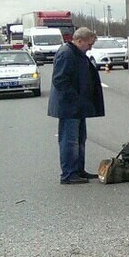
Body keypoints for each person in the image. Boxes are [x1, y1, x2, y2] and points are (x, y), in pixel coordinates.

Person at [47, 27, 105, 184]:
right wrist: (75, 99)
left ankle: (78, 170)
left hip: (77, 106)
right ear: (80, 41)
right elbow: (60, 80)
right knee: (70, 140)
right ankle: (69, 174)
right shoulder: (67, 54)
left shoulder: (76, 53)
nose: (90, 48)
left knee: (79, 139)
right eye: (89, 44)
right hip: (69, 107)